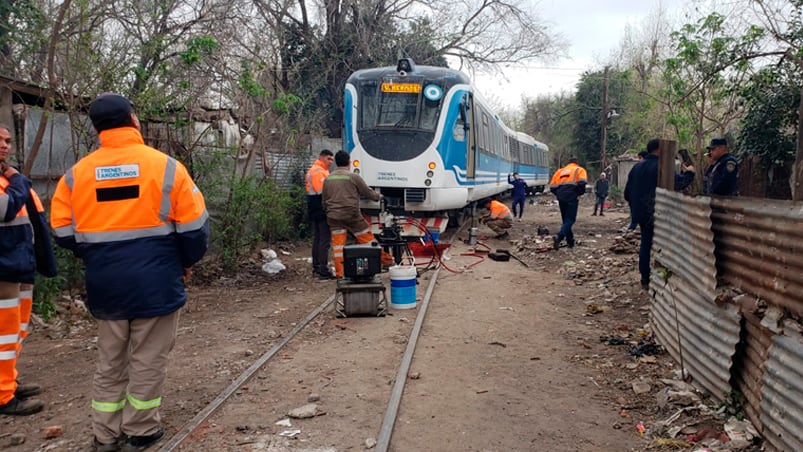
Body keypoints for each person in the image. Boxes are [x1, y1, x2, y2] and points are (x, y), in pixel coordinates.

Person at [50, 93, 210, 452]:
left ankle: (104, 436)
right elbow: (195, 229)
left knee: (110, 361)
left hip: (105, 284)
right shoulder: (167, 168)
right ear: (134, 121)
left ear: (96, 129)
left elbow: (60, 230)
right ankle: (140, 430)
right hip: (157, 282)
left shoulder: (76, 176)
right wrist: (183, 262)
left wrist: (96, 254)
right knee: (148, 359)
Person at [0, 125, 51, 416]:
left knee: (16, 329)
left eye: (8, 141)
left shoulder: (7, 177)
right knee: (3, 333)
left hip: (18, 262)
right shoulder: (12, 179)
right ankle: (3, 396)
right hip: (3, 266)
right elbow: (6, 209)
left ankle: (8, 380)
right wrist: (18, 178)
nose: (5, 146)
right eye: (0, 141)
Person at [624, 139, 695, 290]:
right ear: (660, 150)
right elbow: (679, 184)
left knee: (646, 244)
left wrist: (636, 206)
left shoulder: (636, 167)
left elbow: (626, 193)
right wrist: (690, 174)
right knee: (666, 243)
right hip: (658, 212)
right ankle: (666, 279)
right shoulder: (662, 167)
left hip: (640, 213)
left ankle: (645, 278)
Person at [322, 150, 393, 278]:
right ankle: (387, 261)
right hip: (352, 216)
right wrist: (380, 197)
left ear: (336, 163)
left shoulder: (328, 179)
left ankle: (340, 273)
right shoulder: (353, 177)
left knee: (338, 247)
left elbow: (324, 200)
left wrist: (329, 212)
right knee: (368, 240)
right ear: (349, 163)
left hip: (333, 217)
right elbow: (368, 193)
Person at [306, 149, 335, 279]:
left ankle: (317, 266)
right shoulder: (319, 172)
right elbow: (322, 192)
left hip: (314, 206)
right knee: (324, 239)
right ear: (322, 157)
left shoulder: (316, 169)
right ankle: (322, 269)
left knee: (318, 238)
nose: (331, 162)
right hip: (320, 207)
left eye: (332, 160)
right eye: (329, 159)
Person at [549, 157, 587, 250]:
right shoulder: (579, 170)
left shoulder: (560, 171)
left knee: (566, 220)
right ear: (576, 163)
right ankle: (559, 236)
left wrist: (559, 195)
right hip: (572, 196)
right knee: (570, 219)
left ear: (568, 163)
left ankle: (570, 241)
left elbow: (552, 187)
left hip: (561, 197)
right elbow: (582, 183)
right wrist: (579, 193)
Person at [625, 151, 648, 232]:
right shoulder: (656, 165)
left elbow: (629, 183)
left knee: (635, 217)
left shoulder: (637, 167)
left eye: (639, 158)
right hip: (647, 200)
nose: (638, 160)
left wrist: (627, 195)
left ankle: (632, 228)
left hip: (636, 197)